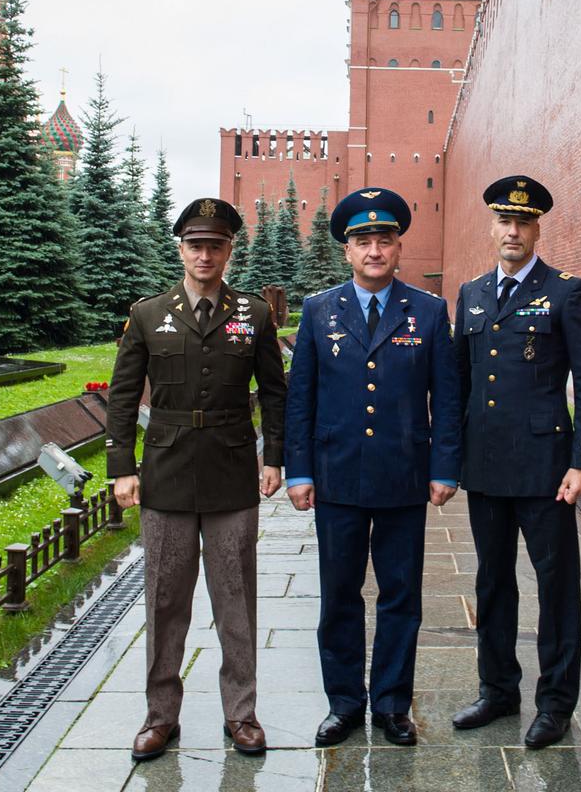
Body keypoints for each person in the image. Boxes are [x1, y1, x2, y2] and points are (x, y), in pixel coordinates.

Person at [106, 197, 286, 762]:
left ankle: (242, 714)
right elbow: (122, 396)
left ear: (230, 250)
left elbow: (275, 394)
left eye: (215, 245)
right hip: (166, 474)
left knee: (236, 598)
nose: (204, 254)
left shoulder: (253, 314)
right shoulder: (147, 314)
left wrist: (273, 457)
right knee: (164, 600)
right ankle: (161, 716)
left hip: (233, 472)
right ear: (180, 248)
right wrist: (121, 467)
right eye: (194, 244)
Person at [285, 187, 461, 747]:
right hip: (336, 476)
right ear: (347, 251)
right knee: (338, 593)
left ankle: (390, 703)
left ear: (398, 247)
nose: (374, 249)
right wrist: (299, 471)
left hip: (404, 476)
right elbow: (300, 398)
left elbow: (448, 397)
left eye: (384, 239)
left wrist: (445, 468)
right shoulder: (318, 311)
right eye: (363, 240)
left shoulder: (429, 311)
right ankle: (343, 703)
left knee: (400, 594)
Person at [450, 175, 581, 750]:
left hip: (546, 468)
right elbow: (460, 384)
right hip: (487, 467)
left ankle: (556, 703)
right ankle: (498, 690)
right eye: (503, 221)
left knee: (555, 586)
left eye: (523, 222)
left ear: (537, 228)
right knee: (492, 583)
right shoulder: (470, 294)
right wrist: (450, 457)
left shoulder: (568, 291)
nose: (512, 231)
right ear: (492, 228)